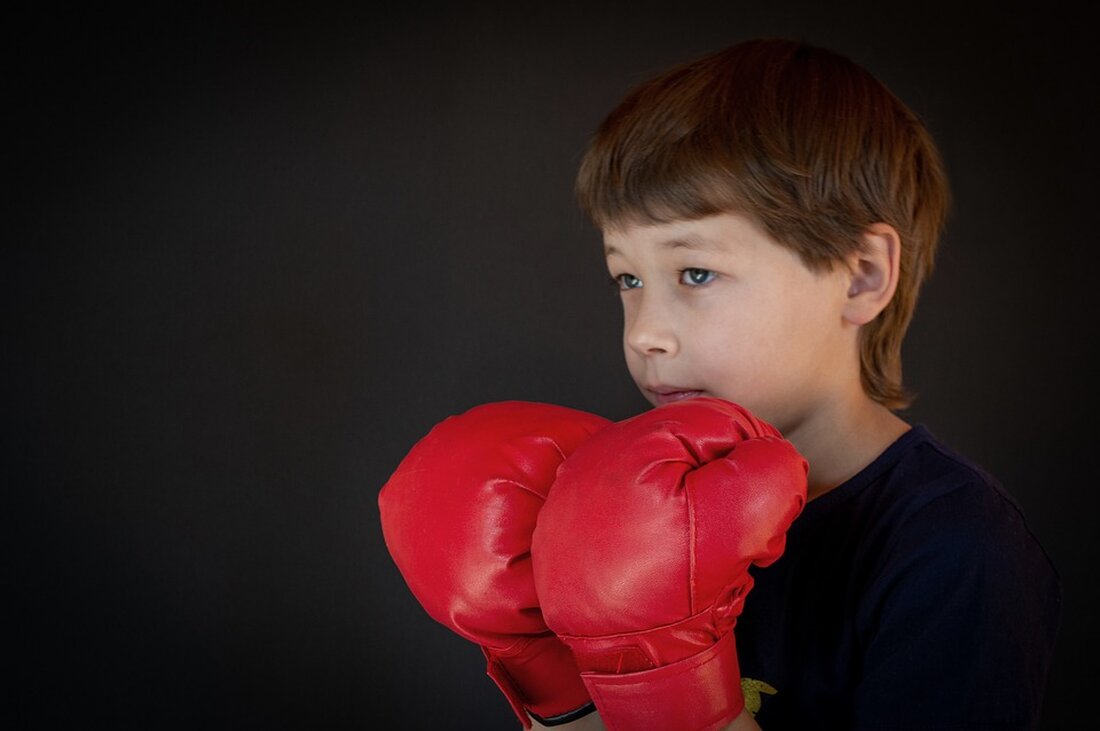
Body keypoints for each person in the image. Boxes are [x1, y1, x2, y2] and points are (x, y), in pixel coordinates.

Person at [380, 38, 1061, 730]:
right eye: (628, 278)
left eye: (695, 273)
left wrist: (673, 687)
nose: (646, 331)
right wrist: (556, 681)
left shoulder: (958, 552)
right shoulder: (625, 507)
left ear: (860, 274)